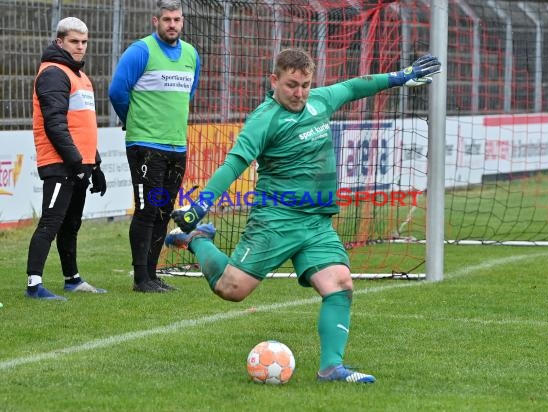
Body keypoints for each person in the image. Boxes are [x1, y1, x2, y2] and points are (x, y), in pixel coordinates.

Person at [167, 48, 441, 382]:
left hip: (316, 222)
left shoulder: (319, 101)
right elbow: (234, 164)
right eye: (292, 85)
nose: (299, 93)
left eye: (306, 85)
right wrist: (199, 207)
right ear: (274, 80)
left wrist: (400, 77)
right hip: (276, 219)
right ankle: (198, 239)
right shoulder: (264, 119)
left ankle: (331, 368)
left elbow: (355, 87)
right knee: (232, 289)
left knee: (340, 283)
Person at [108, 0, 201, 293]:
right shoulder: (141, 50)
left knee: (163, 210)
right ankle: (140, 278)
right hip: (146, 146)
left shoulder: (191, 54)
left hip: (176, 146)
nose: (172, 25)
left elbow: (189, 93)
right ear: (155, 21)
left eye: (177, 19)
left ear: (182, 22)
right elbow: (117, 91)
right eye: (166, 20)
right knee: (147, 210)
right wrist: (132, 121)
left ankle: (152, 275)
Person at [26, 17, 107, 301]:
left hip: (78, 163)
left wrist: (94, 165)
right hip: (59, 163)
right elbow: (55, 125)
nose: (80, 47)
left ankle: (72, 279)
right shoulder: (53, 73)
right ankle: (34, 285)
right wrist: (76, 163)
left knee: (71, 224)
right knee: (51, 222)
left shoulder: (80, 75)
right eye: (74, 41)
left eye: (84, 42)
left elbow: (82, 125)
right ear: (60, 42)